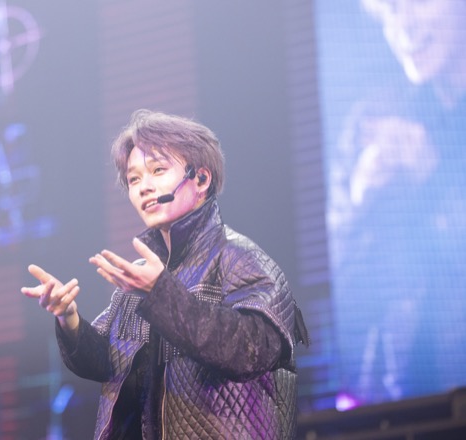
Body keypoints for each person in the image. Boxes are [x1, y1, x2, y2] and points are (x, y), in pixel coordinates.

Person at [21, 109, 309, 439]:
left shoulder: (240, 259)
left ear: (201, 179)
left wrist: (160, 292)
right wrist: (68, 317)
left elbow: (250, 352)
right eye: (134, 179)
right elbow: (105, 363)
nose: (144, 187)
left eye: (158, 170)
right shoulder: (141, 279)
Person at [328, 0, 466, 405]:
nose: (403, 24)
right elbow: (337, 292)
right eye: (389, 9)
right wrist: (360, 199)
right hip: (401, 396)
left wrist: (431, 176)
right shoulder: (371, 121)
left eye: (417, 1)